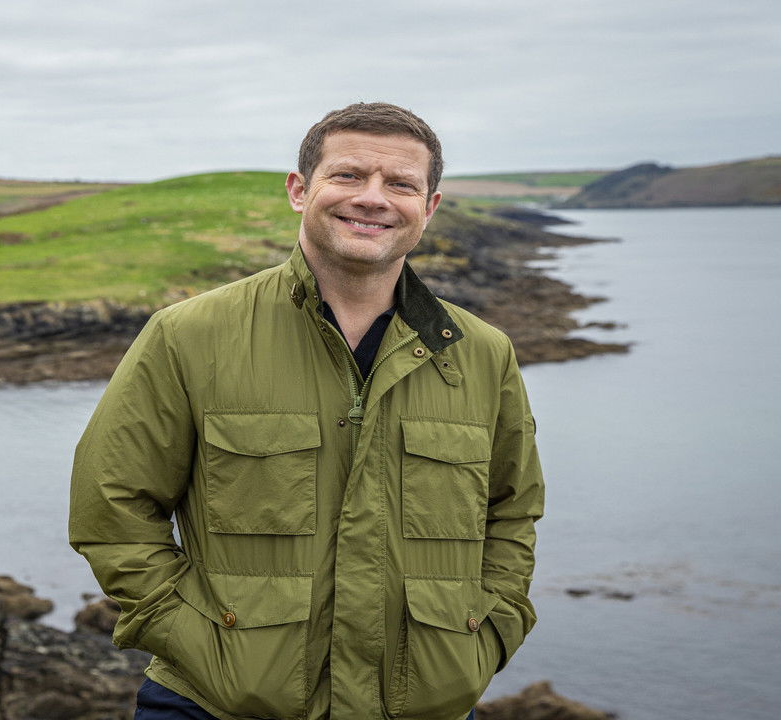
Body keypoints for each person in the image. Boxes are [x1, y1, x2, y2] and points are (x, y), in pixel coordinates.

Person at [69, 102, 543, 720]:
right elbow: (111, 505)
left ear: (428, 208)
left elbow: (512, 511)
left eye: (400, 184)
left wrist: (488, 635)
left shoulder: (482, 352)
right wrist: (195, 638)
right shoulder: (188, 335)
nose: (373, 198)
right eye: (349, 175)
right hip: (214, 706)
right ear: (299, 190)